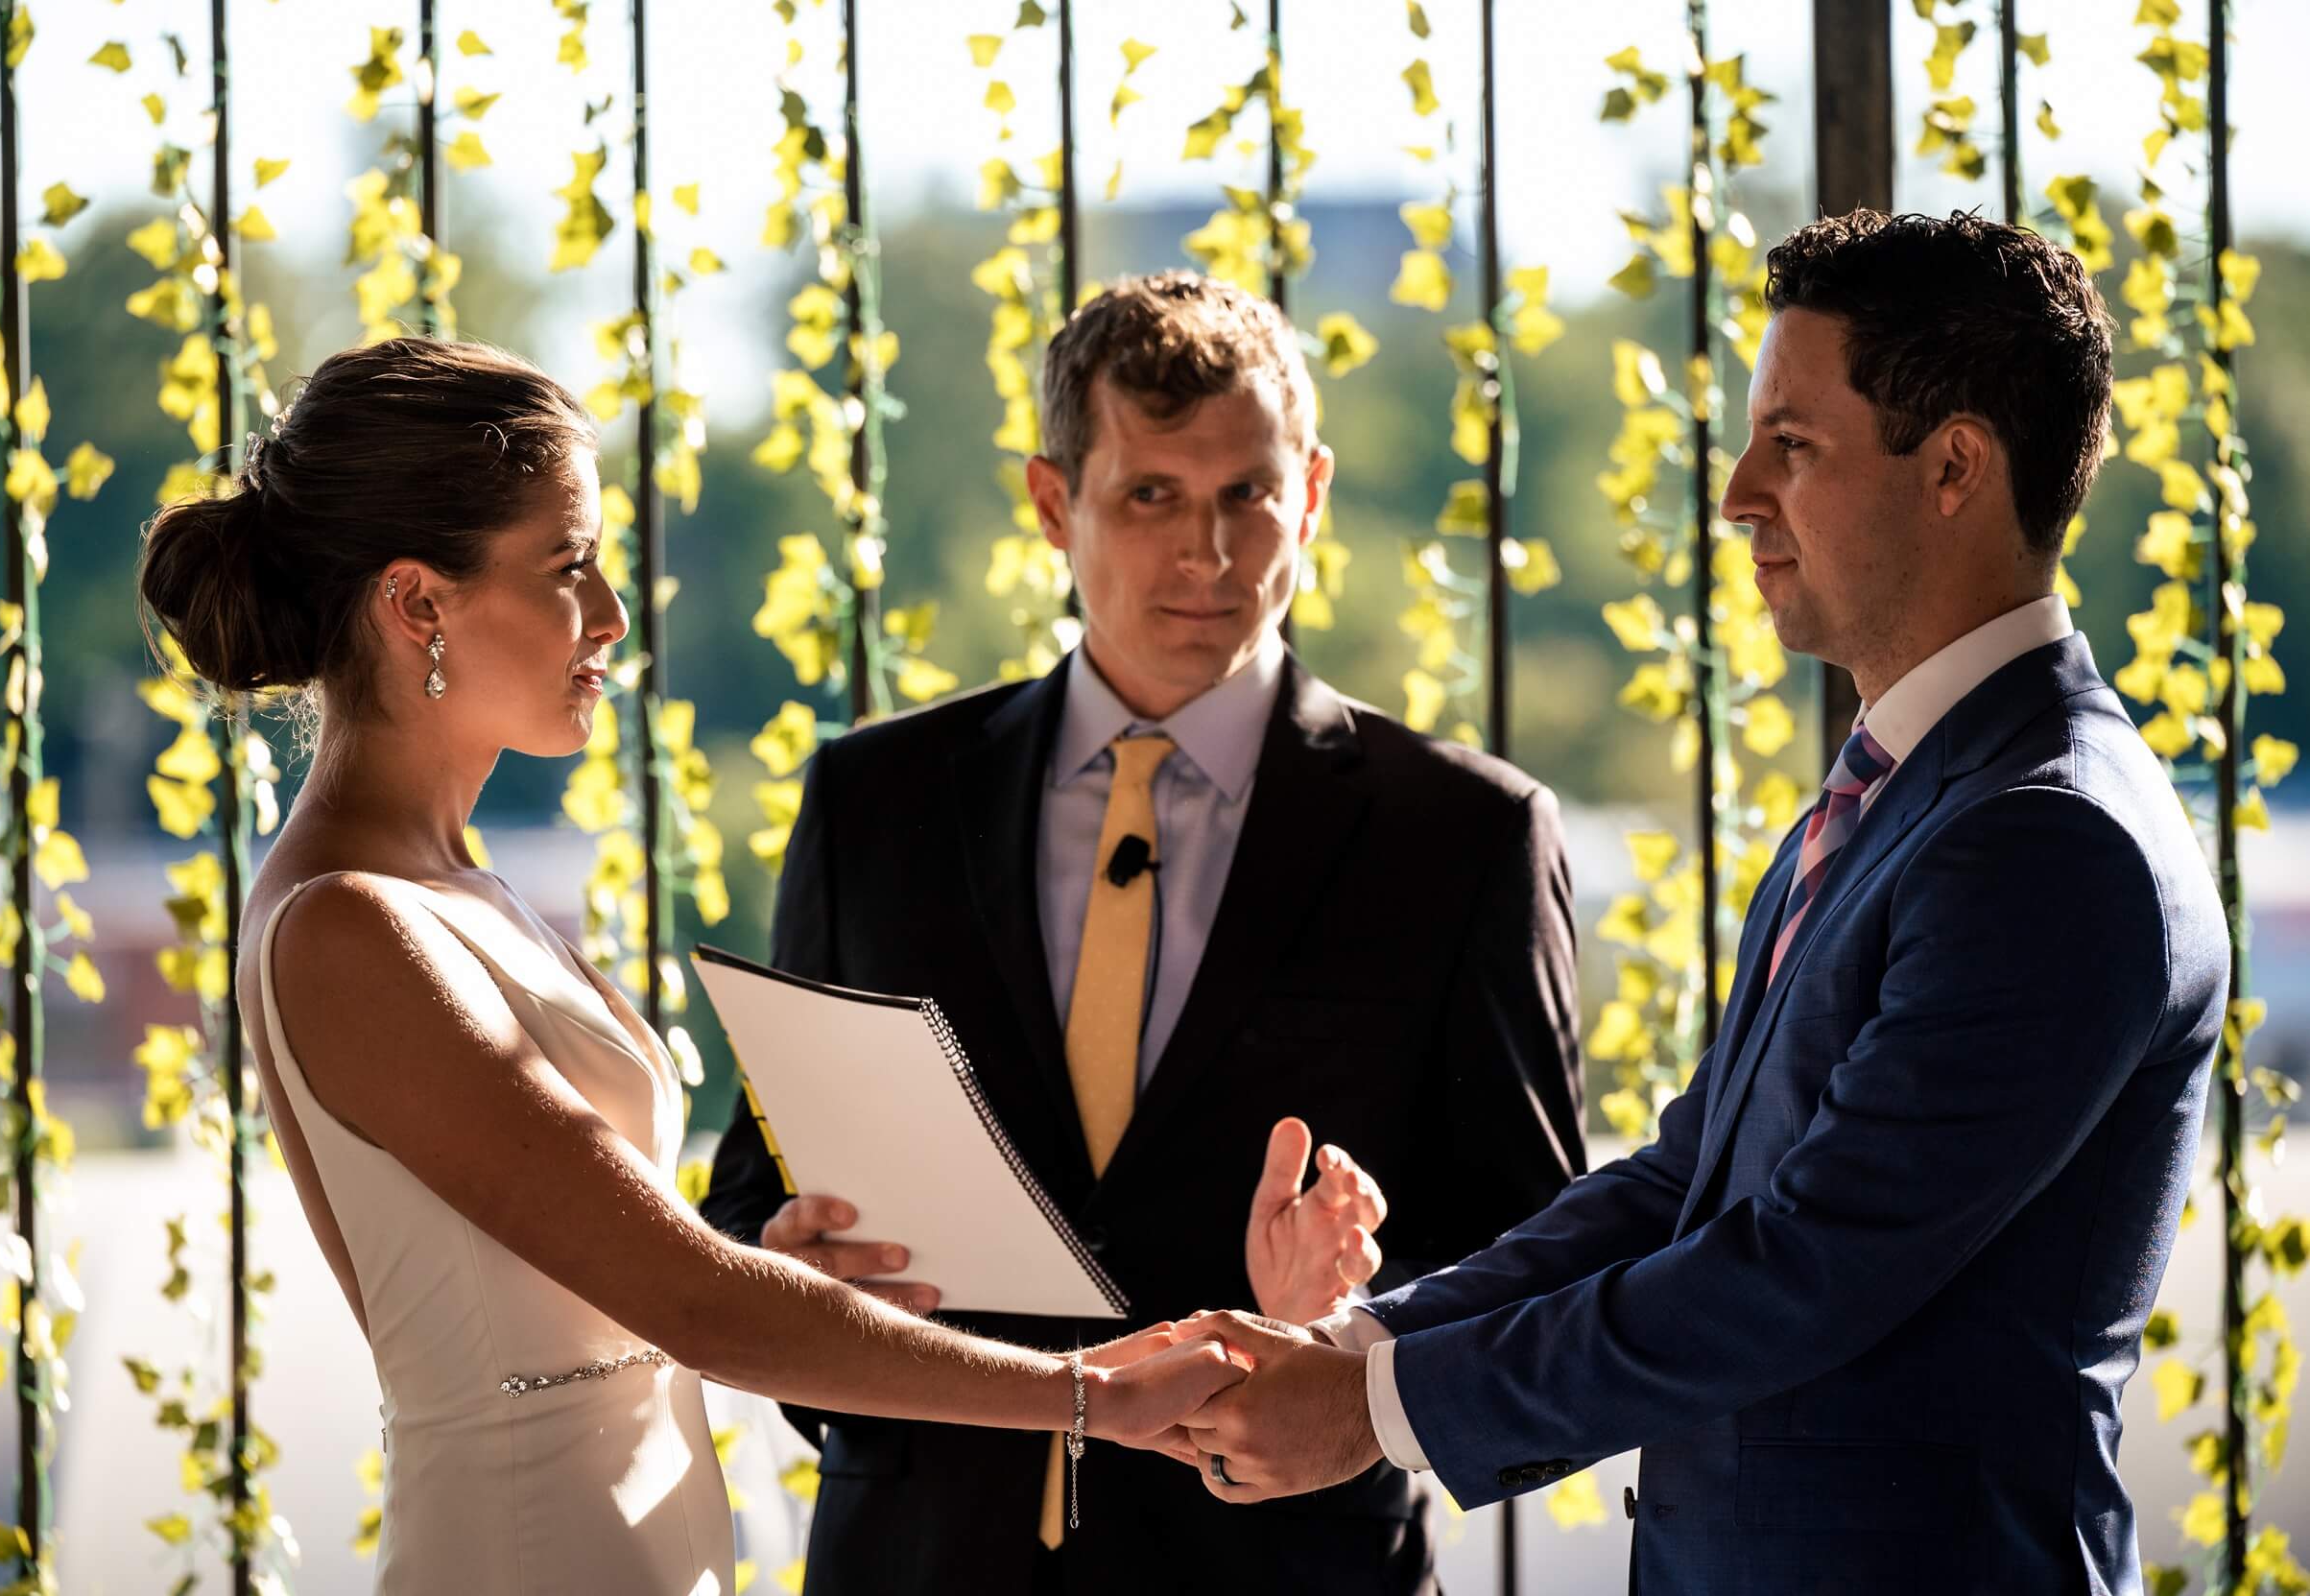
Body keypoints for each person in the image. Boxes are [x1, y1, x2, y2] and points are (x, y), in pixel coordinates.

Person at [1161, 210, 2230, 1596]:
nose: (1736, 493)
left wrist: (1376, 1412)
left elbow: (1802, 1269)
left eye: (1793, 445)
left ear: (1957, 464)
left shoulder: (2049, 839)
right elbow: (1689, 1192)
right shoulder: (1899, 799)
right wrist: (1359, 1346)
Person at [138, 336, 1243, 1596]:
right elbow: (696, 1306)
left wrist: (777, 1264)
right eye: (568, 568)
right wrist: (1091, 1394)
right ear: (419, 603)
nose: (613, 615)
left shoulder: (463, 890)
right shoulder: (351, 925)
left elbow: (631, 1280)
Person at [700, 269, 1587, 1595]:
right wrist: (793, 1265)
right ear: (1054, 503)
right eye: (1151, 497)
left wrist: (1354, 1316)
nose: (1209, 556)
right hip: (924, 1557)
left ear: (1316, 493)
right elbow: (756, 1202)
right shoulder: (877, 802)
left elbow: (1542, 1272)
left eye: (1248, 495)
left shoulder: (1464, 837)